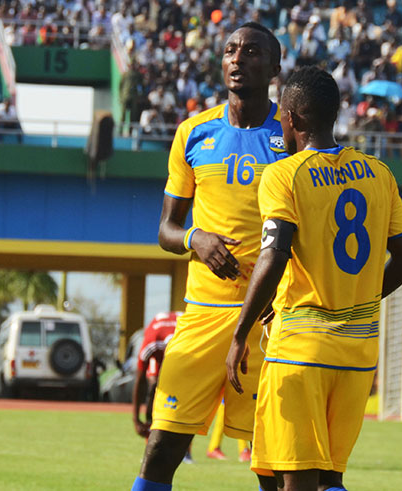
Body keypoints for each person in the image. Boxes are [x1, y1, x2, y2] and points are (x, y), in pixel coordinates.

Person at [226, 66, 402, 491]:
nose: (278, 121)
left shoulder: (284, 174)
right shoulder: (379, 174)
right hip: (359, 351)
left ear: (293, 118)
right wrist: (363, 297)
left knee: (292, 476)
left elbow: (274, 255)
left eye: (282, 115)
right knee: (330, 477)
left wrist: (240, 332)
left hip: (302, 347)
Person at [132, 22, 287, 491]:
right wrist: (195, 238)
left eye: (253, 51)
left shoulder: (292, 134)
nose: (238, 58)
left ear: (275, 68)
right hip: (202, 317)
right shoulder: (193, 132)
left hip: (269, 320)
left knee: (273, 466)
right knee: (160, 451)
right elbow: (166, 228)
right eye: (230, 50)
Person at [130, 312, 194, 464]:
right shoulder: (151, 343)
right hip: (161, 348)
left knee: (186, 398)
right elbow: (140, 381)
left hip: (185, 350)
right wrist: (136, 420)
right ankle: (150, 448)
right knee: (154, 390)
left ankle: (186, 452)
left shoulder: (190, 343)